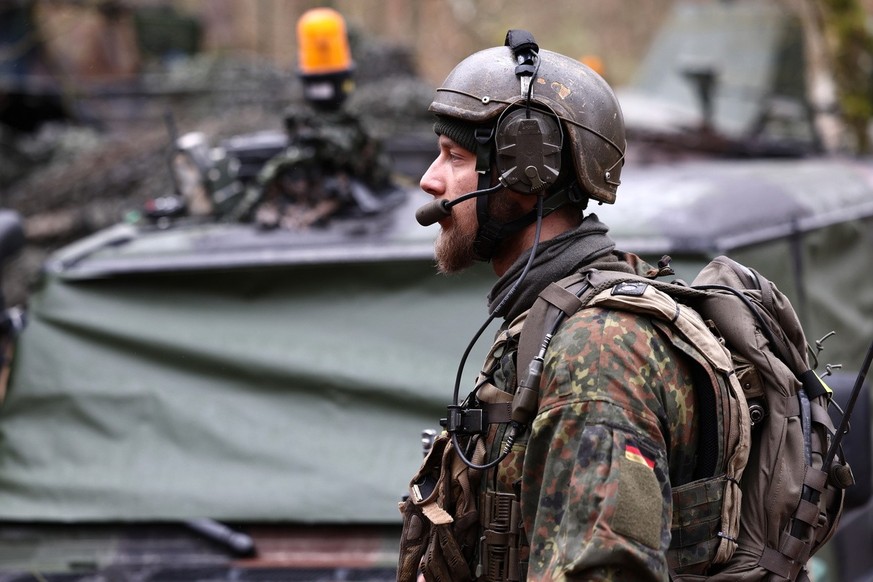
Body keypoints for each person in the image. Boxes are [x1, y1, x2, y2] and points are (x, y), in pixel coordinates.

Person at [398, 30, 700, 582]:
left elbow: (606, 571)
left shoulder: (598, 350)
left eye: (454, 156)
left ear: (525, 174)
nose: (429, 180)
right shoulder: (548, 318)